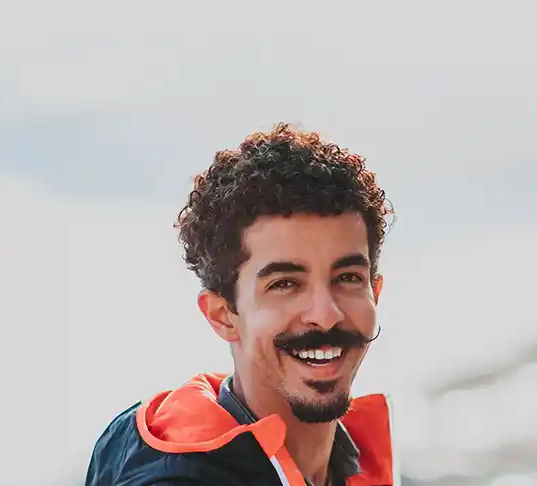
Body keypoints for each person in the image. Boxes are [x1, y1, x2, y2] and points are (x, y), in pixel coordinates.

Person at [85, 123, 397, 486]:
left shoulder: (357, 461)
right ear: (223, 316)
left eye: (347, 278)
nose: (326, 315)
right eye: (285, 284)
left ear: (374, 292)